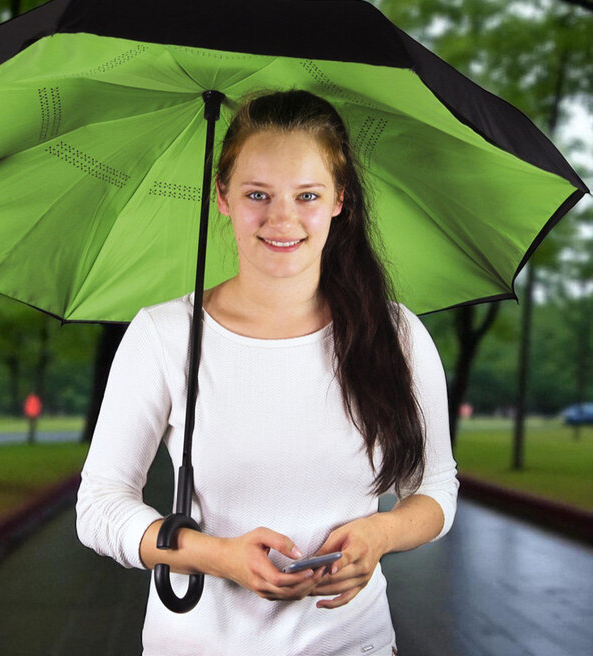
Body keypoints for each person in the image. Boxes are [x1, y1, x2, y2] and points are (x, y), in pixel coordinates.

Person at [75, 89, 458, 656]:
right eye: (258, 194)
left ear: (339, 201)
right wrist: (215, 555)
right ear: (223, 196)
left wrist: (380, 535)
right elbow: (99, 505)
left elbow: (434, 489)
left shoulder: (394, 335)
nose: (282, 219)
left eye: (307, 195)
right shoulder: (165, 335)